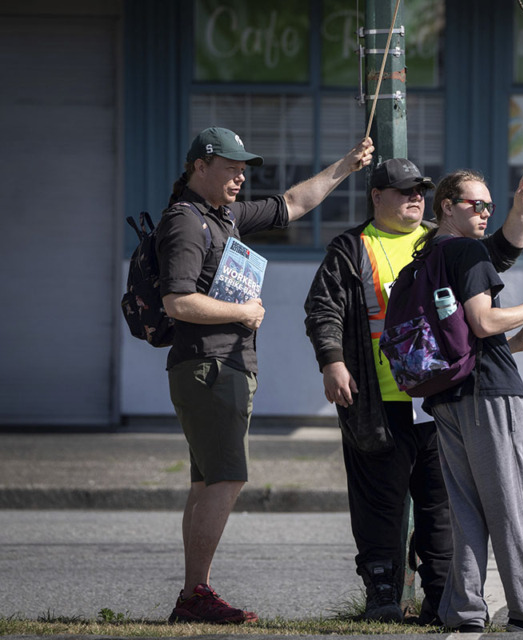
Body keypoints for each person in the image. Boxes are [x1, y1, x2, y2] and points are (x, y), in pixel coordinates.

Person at [303, 158, 523, 625]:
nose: (415, 197)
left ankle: (440, 598)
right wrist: (333, 362)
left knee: (441, 505)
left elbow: (498, 252)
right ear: (376, 197)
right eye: (403, 191)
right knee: (380, 501)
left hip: (440, 396)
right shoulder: (352, 246)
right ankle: (382, 595)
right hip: (376, 398)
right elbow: (323, 308)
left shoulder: (442, 242)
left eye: (420, 190)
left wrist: (522, 208)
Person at [157, 127, 374, 624]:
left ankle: (194, 593)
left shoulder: (225, 215)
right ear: (199, 167)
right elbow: (178, 300)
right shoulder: (187, 223)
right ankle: (195, 595)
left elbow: (293, 203)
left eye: (242, 168)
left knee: (206, 481)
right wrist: (242, 314)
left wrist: (346, 166)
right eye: (230, 166)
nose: (239, 176)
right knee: (226, 476)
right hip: (210, 365)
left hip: (218, 365)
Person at [417, 169, 523, 633]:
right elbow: (482, 322)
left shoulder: (428, 255)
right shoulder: (465, 250)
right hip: (490, 396)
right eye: (474, 205)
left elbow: (462, 332)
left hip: (448, 396)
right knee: (514, 502)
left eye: (488, 206)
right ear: (446, 205)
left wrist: (517, 342)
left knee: (465, 510)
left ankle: (461, 611)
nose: (484, 214)